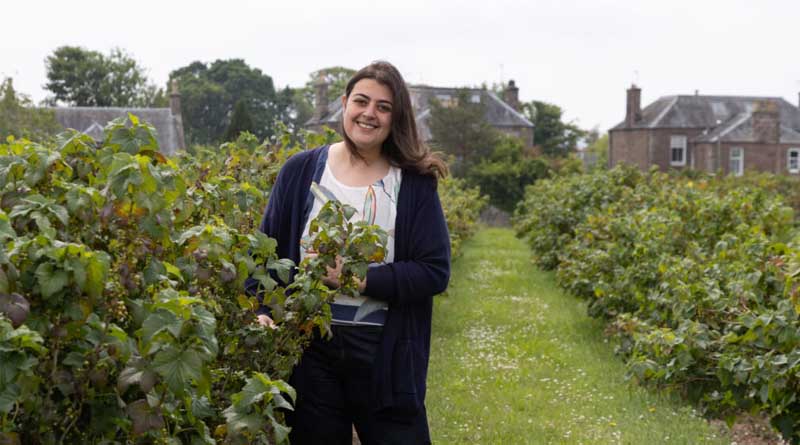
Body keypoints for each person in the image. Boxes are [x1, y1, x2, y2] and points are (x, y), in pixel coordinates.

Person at [252, 61, 450, 444]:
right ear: (344, 103)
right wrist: (261, 309)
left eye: (383, 107)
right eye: (361, 101)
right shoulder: (301, 171)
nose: (369, 113)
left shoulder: (412, 183)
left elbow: (434, 271)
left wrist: (362, 280)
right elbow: (265, 254)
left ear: (395, 118)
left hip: (386, 354)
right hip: (310, 349)